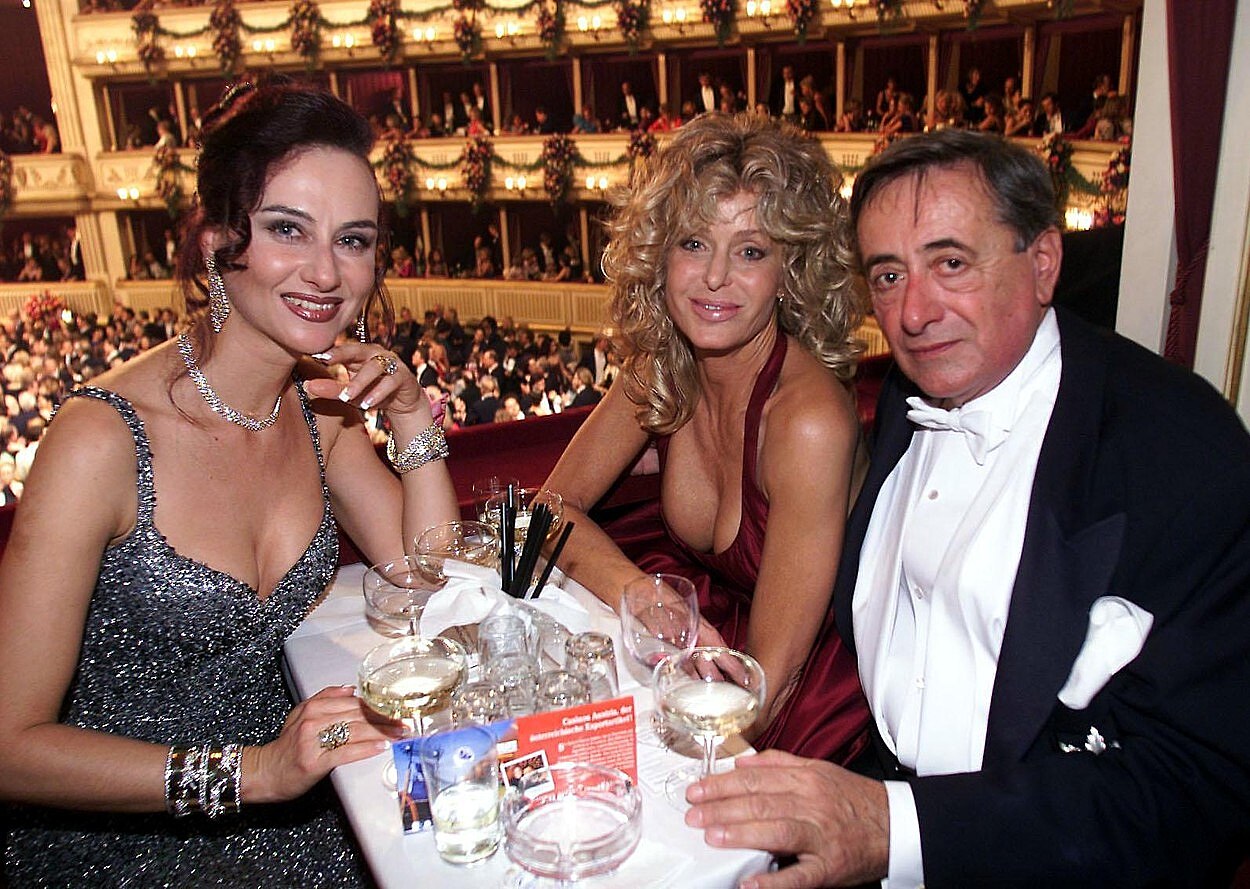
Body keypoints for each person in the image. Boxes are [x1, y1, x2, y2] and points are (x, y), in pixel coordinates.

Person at [684, 129, 1250, 887]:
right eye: (889, 275)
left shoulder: (1180, 450)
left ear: (1043, 262)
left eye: (950, 262)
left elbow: (1193, 792)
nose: (914, 313)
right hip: (859, 784)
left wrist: (894, 829)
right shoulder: (905, 395)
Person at [0, 80, 459, 885]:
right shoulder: (101, 439)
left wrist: (413, 417)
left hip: (297, 805)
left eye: (353, 240)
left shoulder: (320, 411)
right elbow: (11, 747)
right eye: (287, 229)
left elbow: (424, 574)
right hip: (123, 839)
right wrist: (253, 772)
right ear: (217, 242)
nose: (326, 271)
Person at [544, 113, 871, 763]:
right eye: (694, 243)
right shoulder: (661, 367)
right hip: (708, 644)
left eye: (750, 251)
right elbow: (545, 510)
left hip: (797, 695)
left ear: (790, 269)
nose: (715, 277)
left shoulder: (807, 422)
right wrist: (638, 590)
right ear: (659, 256)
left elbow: (765, 691)